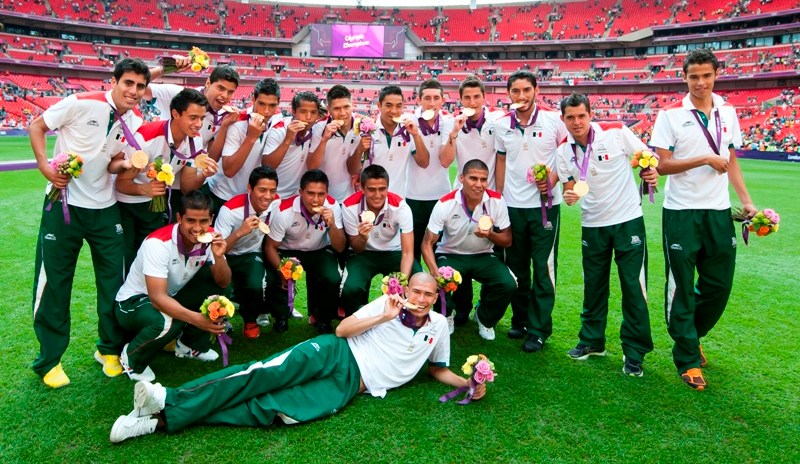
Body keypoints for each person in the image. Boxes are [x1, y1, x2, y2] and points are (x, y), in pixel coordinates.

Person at [109, 273, 484, 443]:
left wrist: (467, 383)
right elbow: (342, 330)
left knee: (272, 411)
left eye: (428, 295)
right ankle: (168, 397)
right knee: (261, 374)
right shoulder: (388, 304)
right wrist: (383, 316)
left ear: (436, 297)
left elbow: (438, 369)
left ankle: (157, 421)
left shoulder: (439, 326)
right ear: (408, 290)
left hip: (351, 386)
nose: (421, 299)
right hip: (337, 352)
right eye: (416, 292)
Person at [28, 58, 151, 388]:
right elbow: (37, 126)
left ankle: (108, 350)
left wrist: (127, 164)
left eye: (140, 86)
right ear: (114, 82)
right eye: (128, 83)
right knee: (55, 282)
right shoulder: (81, 102)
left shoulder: (134, 121)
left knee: (114, 283)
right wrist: (45, 167)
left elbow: (112, 162)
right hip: (63, 204)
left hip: (105, 208)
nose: (133, 91)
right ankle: (49, 360)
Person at [651, 49, 756, 390]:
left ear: (716, 75)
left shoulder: (728, 111)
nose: (700, 82)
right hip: (681, 212)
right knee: (682, 287)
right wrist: (704, 158)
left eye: (706, 75)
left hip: (718, 211)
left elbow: (731, 160)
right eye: (694, 76)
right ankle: (687, 359)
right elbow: (662, 166)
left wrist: (746, 200)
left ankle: (691, 335)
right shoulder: (670, 115)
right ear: (684, 77)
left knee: (719, 286)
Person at [555, 93, 656, 377]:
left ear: (590, 114)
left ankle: (634, 352)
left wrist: (651, 172)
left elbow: (648, 158)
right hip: (592, 224)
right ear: (563, 120)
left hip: (627, 220)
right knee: (594, 285)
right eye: (570, 117)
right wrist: (570, 196)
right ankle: (592, 341)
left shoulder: (615, 132)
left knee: (633, 287)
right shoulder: (562, 151)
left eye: (581, 116)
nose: (577, 122)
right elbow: (569, 187)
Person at [114, 190, 231, 382]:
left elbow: (223, 282)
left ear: (211, 219)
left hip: (171, 294)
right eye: (190, 221)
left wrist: (218, 257)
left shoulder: (211, 237)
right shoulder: (158, 244)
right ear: (179, 218)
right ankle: (132, 358)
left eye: (203, 221)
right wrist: (196, 319)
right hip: (133, 303)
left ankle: (189, 345)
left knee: (218, 294)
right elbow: (157, 298)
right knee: (168, 321)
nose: (197, 228)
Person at [494, 70, 568, 353]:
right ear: (509, 94)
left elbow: (567, 155)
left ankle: (538, 330)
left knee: (543, 269)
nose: (521, 96)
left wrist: (553, 180)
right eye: (516, 91)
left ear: (536, 90)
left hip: (545, 207)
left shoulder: (554, 120)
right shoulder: (502, 125)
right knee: (517, 268)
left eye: (527, 90)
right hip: (513, 207)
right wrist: (499, 198)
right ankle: (520, 319)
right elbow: (501, 162)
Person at [116, 88, 219, 271]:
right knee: (127, 258)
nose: (198, 124)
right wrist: (144, 189)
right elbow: (121, 183)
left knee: (151, 257)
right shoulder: (146, 138)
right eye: (193, 117)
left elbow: (186, 187)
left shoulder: (195, 140)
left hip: (156, 205)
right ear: (175, 114)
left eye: (202, 118)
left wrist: (203, 175)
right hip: (128, 205)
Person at [421, 159, 515, 339]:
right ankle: (447, 315)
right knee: (441, 278)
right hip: (451, 254)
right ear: (461, 178)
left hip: (483, 255)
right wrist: (434, 272)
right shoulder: (445, 203)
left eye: (483, 179)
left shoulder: (496, 201)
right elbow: (427, 243)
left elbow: (507, 240)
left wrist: (490, 234)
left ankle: (484, 318)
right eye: (473, 178)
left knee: (507, 283)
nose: (479, 184)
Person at [439, 74, 499, 323]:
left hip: (490, 198)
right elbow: (445, 161)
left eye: (476, 97)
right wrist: (454, 133)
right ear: (460, 100)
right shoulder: (451, 124)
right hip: (462, 197)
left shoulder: (497, 122)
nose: (472, 102)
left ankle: (483, 310)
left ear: (485, 98)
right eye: (467, 98)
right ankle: (461, 307)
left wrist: (500, 194)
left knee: (491, 251)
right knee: (459, 250)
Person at [264, 169, 346, 334]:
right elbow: (270, 246)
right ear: (300, 192)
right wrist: (281, 270)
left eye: (321, 194)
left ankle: (323, 319)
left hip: (319, 251)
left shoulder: (332, 207)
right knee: (276, 277)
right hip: (288, 251)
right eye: (310, 193)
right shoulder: (284, 210)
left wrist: (332, 225)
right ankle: (280, 317)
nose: (316, 200)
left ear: (327, 193)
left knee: (332, 277)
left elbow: (340, 247)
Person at [340, 165, 421, 316]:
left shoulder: (400, 207)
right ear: (362, 188)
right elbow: (356, 247)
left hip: (394, 252)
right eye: (371, 189)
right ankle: (357, 318)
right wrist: (363, 237)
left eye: (382, 189)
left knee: (417, 279)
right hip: (363, 254)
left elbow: (408, 252)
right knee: (350, 289)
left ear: (388, 188)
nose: (377, 195)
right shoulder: (349, 206)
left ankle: (407, 318)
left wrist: (403, 281)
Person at [214, 166, 281, 339]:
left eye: (272, 191)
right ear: (249, 188)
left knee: (255, 285)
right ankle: (220, 319)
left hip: (252, 254)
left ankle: (250, 320)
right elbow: (218, 250)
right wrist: (240, 232)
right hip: (226, 255)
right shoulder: (229, 210)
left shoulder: (276, 203)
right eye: (262, 190)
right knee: (221, 284)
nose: (268, 196)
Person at [207, 78, 282, 212]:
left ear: (278, 104)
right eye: (261, 104)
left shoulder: (278, 120)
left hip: (249, 197)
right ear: (253, 99)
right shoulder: (236, 122)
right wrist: (251, 137)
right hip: (223, 194)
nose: (266, 111)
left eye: (272, 105)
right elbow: (229, 170)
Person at [144, 65, 240, 163]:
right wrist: (165, 68)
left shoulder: (223, 117)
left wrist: (224, 127)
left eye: (230, 92)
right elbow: (140, 87)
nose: (225, 96)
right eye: (220, 88)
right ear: (208, 83)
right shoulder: (179, 95)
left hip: (188, 170)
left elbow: (211, 159)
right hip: (155, 162)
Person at [405, 79, 454, 263]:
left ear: (443, 100)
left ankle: (440, 282)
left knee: (440, 252)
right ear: (419, 100)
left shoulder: (448, 122)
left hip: (442, 196)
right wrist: (416, 134)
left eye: (436, 98)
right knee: (413, 253)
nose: (432, 103)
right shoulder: (409, 122)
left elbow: (446, 161)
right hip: (414, 196)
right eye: (427, 98)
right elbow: (423, 162)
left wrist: (453, 135)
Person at [362, 85, 430, 197]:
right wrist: (359, 149)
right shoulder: (367, 130)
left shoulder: (408, 131)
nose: (394, 111)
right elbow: (354, 169)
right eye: (388, 105)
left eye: (398, 106)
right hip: (371, 198)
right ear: (379, 105)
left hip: (398, 200)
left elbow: (424, 163)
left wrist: (416, 135)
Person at [308, 85, 364, 202]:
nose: (342, 113)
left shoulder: (363, 126)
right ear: (329, 109)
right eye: (337, 108)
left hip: (350, 195)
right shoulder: (320, 127)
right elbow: (311, 167)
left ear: (352, 104)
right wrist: (324, 139)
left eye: (346, 107)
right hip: (324, 197)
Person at [263, 92, 321, 198]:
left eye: (313, 112)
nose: (308, 117)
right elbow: (267, 166)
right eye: (303, 112)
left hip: (298, 195)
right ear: (293, 111)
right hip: (274, 194)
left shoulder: (317, 129)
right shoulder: (279, 129)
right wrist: (287, 140)